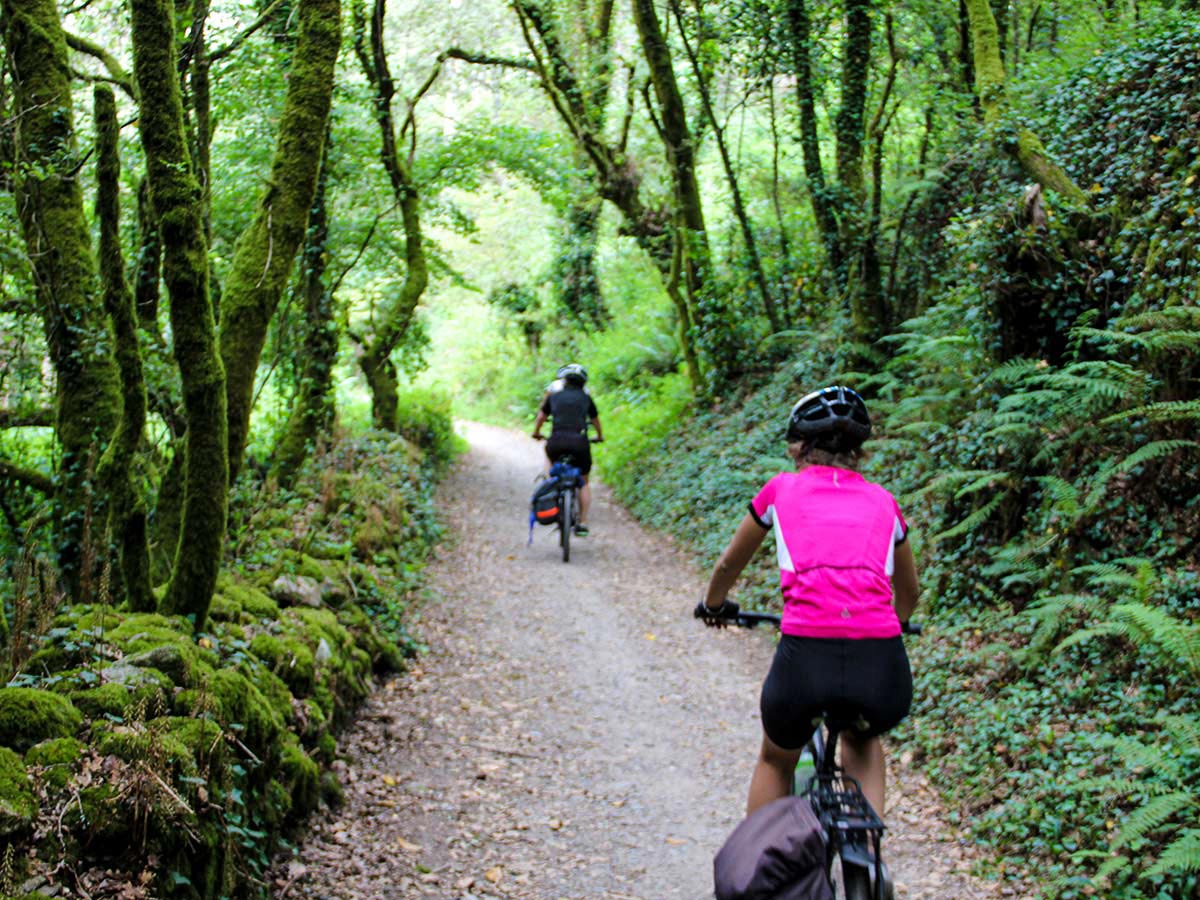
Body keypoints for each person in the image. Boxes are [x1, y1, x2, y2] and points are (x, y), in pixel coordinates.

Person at [695, 385, 918, 819]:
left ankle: (761, 870)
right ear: (858, 451)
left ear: (798, 446)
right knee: (862, 737)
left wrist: (714, 605)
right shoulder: (884, 502)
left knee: (777, 758)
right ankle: (867, 860)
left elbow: (727, 565)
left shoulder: (780, 490)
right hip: (880, 661)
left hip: (806, 656)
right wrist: (898, 622)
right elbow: (908, 593)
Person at [531, 363, 604, 535]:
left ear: (564, 381)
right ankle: (584, 522)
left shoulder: (554, 396)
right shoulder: (586, 398)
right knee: (584, 482)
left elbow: (541, 417)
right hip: (580, 443)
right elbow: (595, 420)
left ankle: (550, 482)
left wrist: (536, 432)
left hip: (556, 440)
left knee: (549, 454)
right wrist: (599, 436)